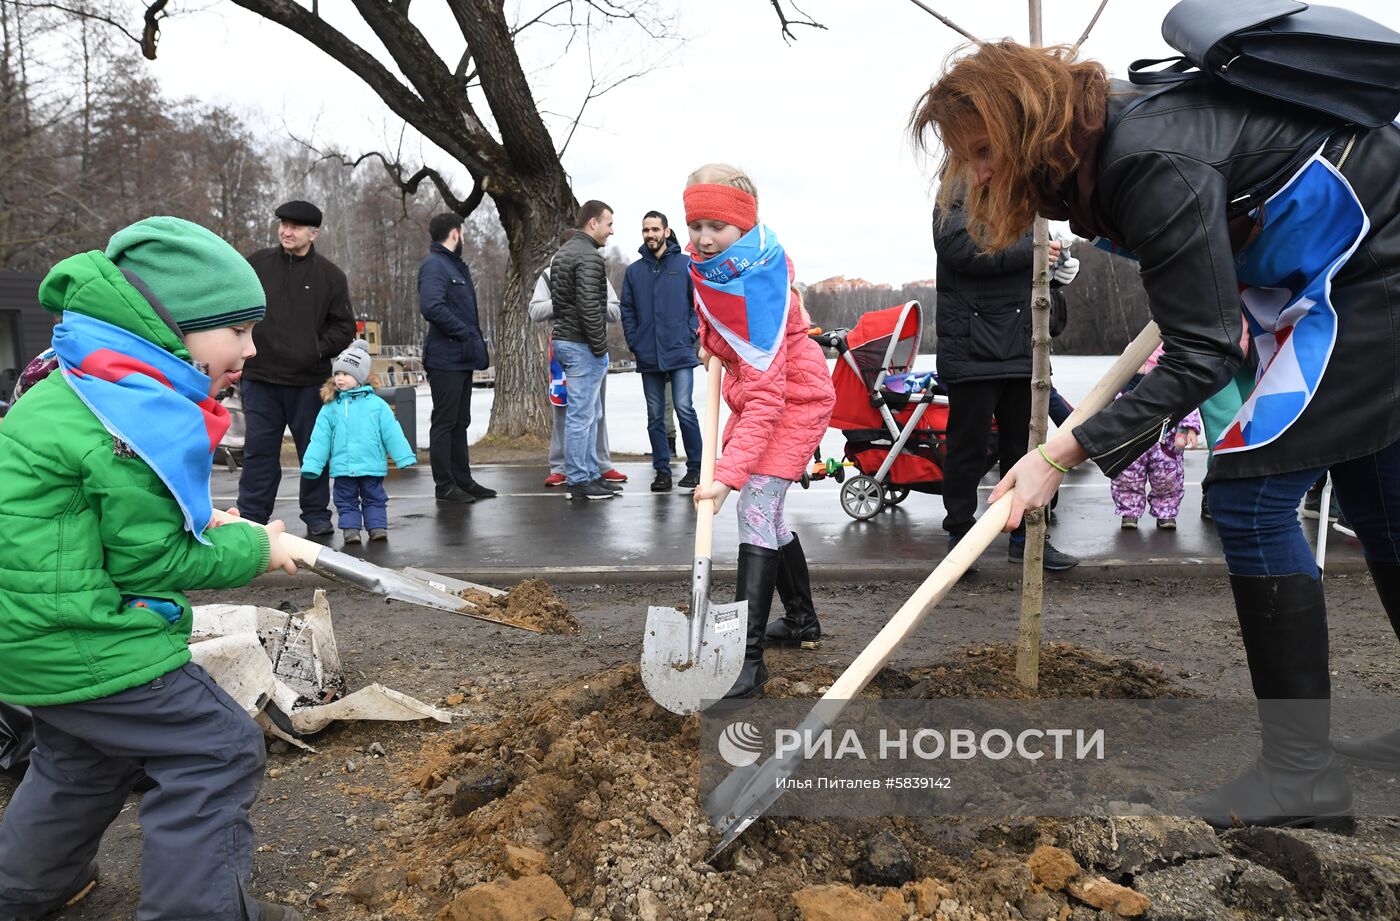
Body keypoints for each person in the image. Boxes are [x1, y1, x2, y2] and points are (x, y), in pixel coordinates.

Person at [913, 38, 1400, 828]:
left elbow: (1205, 351)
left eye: (982, 150)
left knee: (1248, 499)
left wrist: (1055, 453)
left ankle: (1301, 775)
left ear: (1027, 120)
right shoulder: (1105, 147)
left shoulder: (1145, 158)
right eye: (962, 159)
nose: (978, 176)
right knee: (1379, 496)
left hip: (1373, 263)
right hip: (1340, 268)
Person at [0, 217, 301, 921]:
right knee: (219, 748)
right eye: (240, 332)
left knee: (83, 754)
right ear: (183, 327)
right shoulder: (129, 418)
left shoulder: (81, 380)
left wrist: (211, 518)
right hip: (84, 632)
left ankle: (25, 887)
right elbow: (154, 556)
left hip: (28, 636)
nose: (250, 351)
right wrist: (261, 550)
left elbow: (114, 516)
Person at [685, 163, 836, 696]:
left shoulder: (760, 289)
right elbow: (716, 319)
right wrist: (711, 343)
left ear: (744, 227)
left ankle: (748, 665)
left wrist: (727, 476)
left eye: (716, 228)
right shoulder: (721, 268)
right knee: (767, 511)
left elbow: (769, 394)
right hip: (768, 394)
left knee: (753, 505)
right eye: (695, 225)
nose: (703, 239)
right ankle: (801, 620)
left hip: (792, 401)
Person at [932, 198, 1081, 572]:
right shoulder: (955, 192)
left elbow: (1030, 267)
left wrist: (1056, 267)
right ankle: (960, 541)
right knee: (968, 451)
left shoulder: (1024, 192)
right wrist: (1033, 252)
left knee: (1029, 447)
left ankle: (1027, 538)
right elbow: (960, 250)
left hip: (1023, 346)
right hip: (971, 351)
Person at [238, 199, 356, 536]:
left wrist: (314, 350)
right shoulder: (257, 264)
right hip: (260, 379)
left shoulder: (331, 276)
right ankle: (251, 517)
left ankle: (317, 515)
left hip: (308, 383)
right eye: (283, 224)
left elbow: (343, 327)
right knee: (259, 453)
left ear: (313, 233)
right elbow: (236, 307)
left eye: (295, 226)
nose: (286, 231)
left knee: (314, 454)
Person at [529, 232, 628, 488]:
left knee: (595, 411)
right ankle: (565, 468)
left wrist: (592, 303)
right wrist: (563, 302)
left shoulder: (594, 271)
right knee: (565, 409)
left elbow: (615, 309)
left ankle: (598, 466)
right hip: (567, 346)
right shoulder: (549, 275)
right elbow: (535, 310)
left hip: (594, 346)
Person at [300, 339, 417, 545]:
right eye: (337, 374)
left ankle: (377, 527)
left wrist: (403, 456)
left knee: (375, 498)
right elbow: (320, 438)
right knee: (345, 500)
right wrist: (312, 464)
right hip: (344, 467)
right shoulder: (331, 407)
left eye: (346, 374)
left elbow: (392, 432)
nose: (340, 379)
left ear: (360, 376)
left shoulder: (377, 405)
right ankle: (351, 530)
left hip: (371, 465)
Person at [621, 211, 704, 493]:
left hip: (680, 350)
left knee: (684, 409)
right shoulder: (633, 272)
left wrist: (690, 332)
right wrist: (635, 341)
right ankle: (662, 471)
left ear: (666, 232)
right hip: (648, 354)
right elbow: (627, 311)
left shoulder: (685, 265)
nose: (650, 235)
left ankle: (696, 468)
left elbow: (698, 305)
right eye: (646, 230)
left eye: (655, 229)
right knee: (655, 415)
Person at [418, 213, 496, 504]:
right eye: (462, 232)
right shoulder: (435, 265)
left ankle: (463, 480)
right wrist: (465, 333)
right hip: (444, 359)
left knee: (460, 421)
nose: (463, 237)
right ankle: (445, 486)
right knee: (445, 422)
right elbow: (431, 306)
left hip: (461, 359)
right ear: (454, 233)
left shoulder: (453, 265)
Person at [550, 200, 618, 501]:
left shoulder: (562, 254)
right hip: (581, 343)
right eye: (609, 224)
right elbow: (590, 308)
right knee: (581, 415)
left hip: (565, 340)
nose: (611, 231)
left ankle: (590, 474)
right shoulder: (589, 258)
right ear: (593, 223)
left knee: (589, 412)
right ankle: (579, 479)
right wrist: (601, 348)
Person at [1110, 348, 1202, 529]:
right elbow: (1110, 410)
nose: (1144, 369)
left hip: (1164, 444)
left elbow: (1186, 404)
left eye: (1149, 365)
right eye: (1140, 365)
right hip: (1131, 443)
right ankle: (1130, 512)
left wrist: (1188, 429)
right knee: (1126, 477)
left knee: (1167, 479)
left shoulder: (1172, 388)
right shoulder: (1124, 388)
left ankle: (1166, 512)